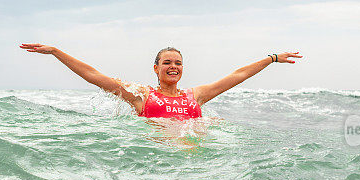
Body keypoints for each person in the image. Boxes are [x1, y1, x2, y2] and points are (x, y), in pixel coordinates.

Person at [19, 44, 301, 118]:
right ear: (156, 68)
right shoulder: (141, 96)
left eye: (177, 63)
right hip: (158, 159)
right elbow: (95, 77)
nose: (173, 67)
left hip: (196, 160)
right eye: (167, 63)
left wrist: (272, 58)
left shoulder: (196, 95)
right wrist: (56, 52)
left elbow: (236, 77)